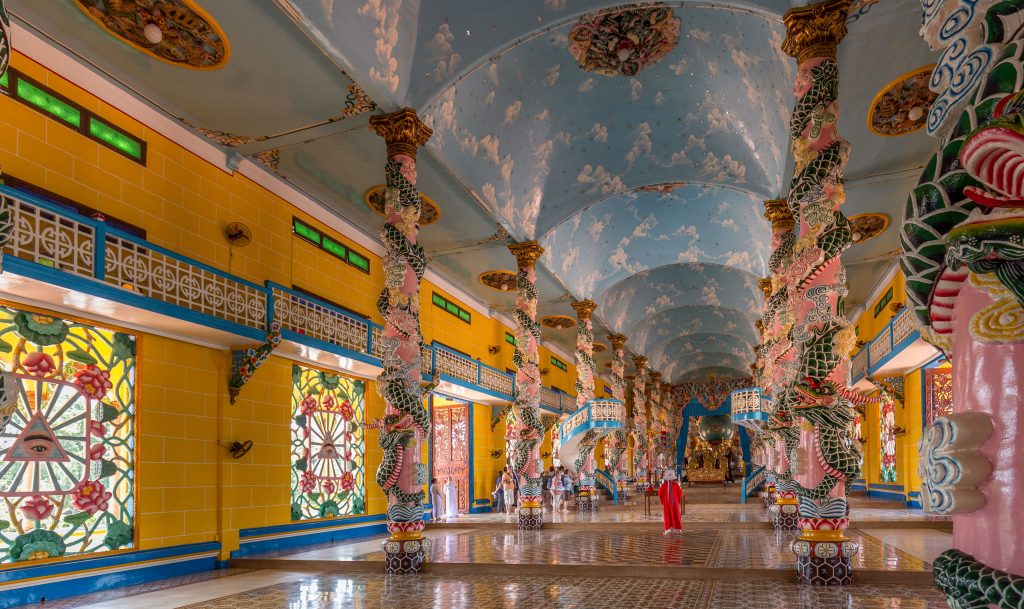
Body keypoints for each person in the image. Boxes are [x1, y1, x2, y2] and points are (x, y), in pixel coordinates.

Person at [658, 469, 684, 534]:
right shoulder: (676, 485)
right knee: (676, 514)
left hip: (667, 502)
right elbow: (680, 493)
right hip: (675, 503)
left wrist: (663, 500)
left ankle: (667, 529)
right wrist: (678, 500)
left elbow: (660, 493)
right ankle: (678, 528)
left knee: (667, 515)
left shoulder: (664, 485)